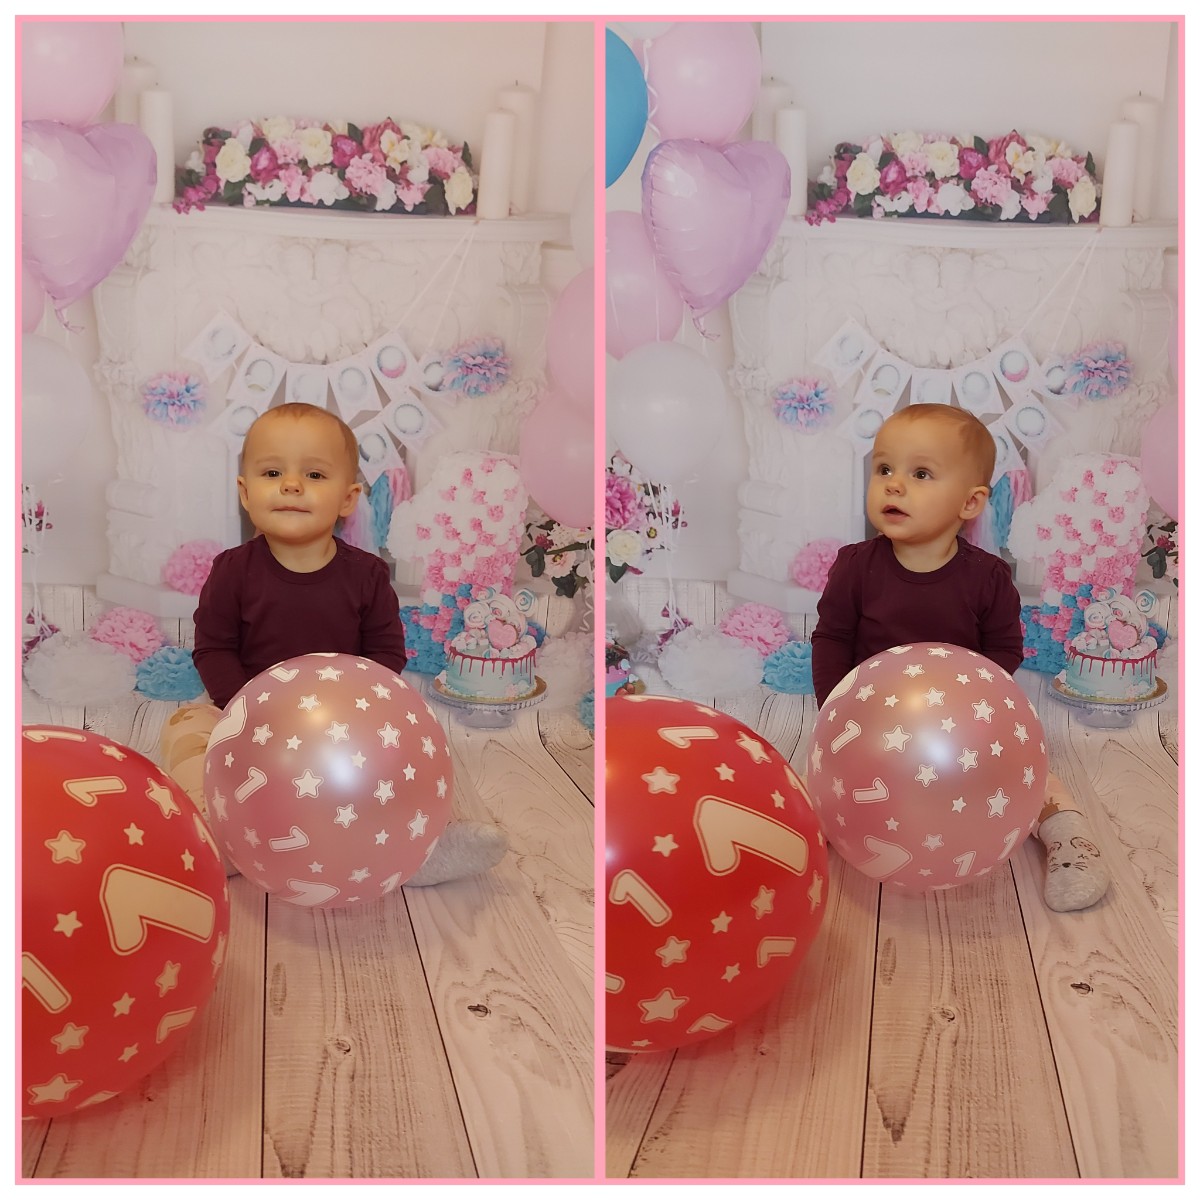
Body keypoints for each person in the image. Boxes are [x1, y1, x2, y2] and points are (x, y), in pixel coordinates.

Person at [160, 401, 507, 885]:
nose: (291, 485)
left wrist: (353, 714)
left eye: (314, 475)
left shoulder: (366, 576)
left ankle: (422, 843)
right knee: (184, 727)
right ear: (245, 492)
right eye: (273, 472)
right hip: (246, 714)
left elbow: (386, 653)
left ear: (348, 498)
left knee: (415, 744)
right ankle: (219, 834)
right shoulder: (233, 571)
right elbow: (214, 648)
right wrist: (246, 708)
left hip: (345, 723)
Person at [811, 403, 1110, 912]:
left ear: (970, 503)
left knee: (1030, 782)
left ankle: (1070, 840)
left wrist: (974, 712)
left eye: (920, 474)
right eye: (884, 468)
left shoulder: (987, 578)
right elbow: (833, 637)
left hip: (965, 732)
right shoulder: (855, 567)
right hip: (868, 730)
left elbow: (1005, 649)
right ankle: (792, 843)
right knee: (820, 789)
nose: (893, 484)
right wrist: (836, 713)